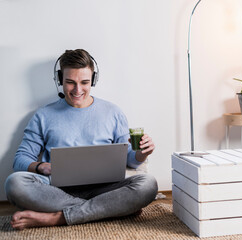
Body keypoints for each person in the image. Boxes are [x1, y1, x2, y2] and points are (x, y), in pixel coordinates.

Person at [4, 49, 158, 230]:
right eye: (70, 82)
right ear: (60, 79)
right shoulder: (43, 115)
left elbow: (130, 160)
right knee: (14, 184)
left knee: (148, 184)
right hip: (57, 191)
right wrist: (39, 166)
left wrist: (141, 153)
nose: (78, 90)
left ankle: (57, 218)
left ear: (93, 80)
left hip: (105, 188)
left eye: (84, 82)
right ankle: (111, 209)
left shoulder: (113, 112)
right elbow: (20, 159)